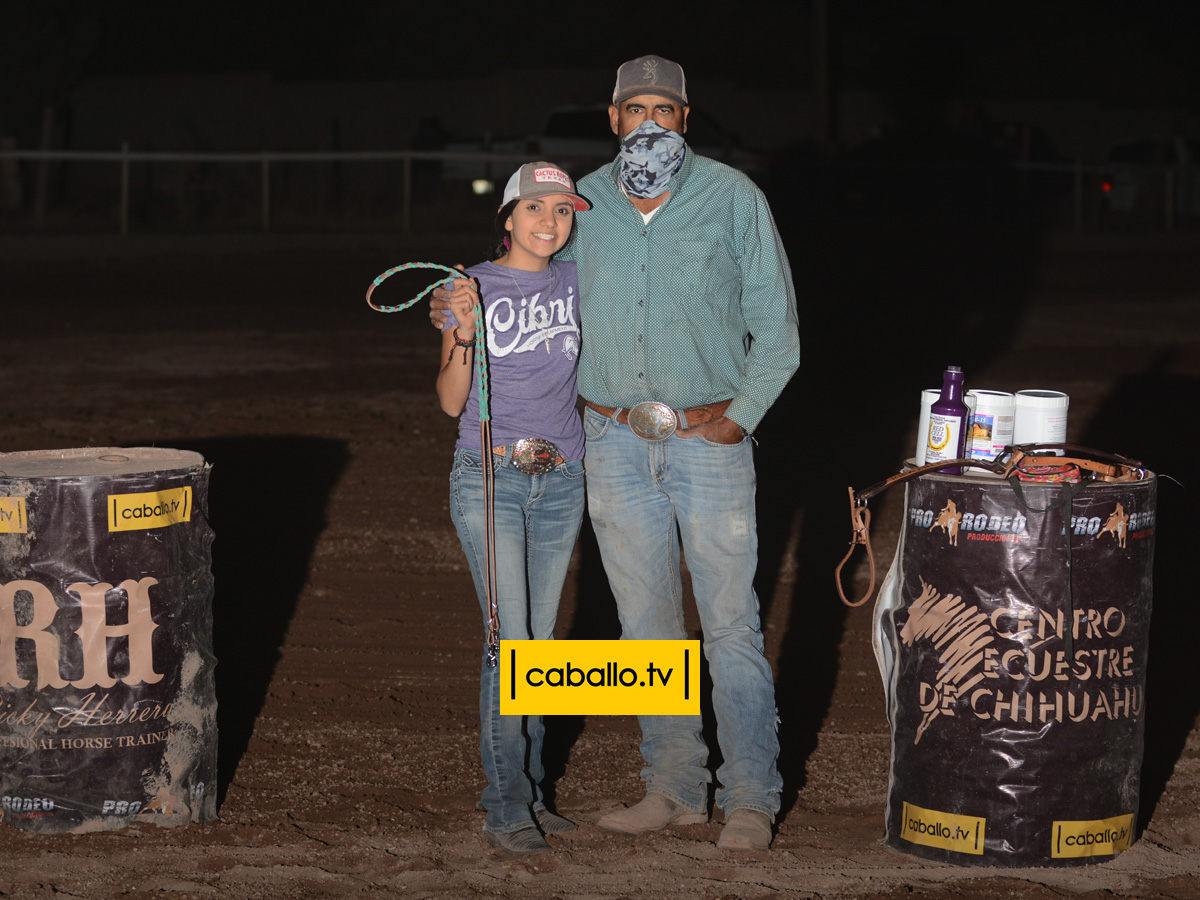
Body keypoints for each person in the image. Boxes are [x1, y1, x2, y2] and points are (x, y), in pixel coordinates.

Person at [435, 55, 799, 852]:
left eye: (664, 109)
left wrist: (738, 420)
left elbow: (778, 331)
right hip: (610, 442)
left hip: (709, 440)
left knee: (731, 627)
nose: (649, 122)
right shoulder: (586, 203)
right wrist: (458, 302)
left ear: (685, 118)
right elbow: (530, 279)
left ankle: (750, 797)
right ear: (613, 118)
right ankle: (674, 786)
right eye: (635, 108)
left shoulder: (734, 197)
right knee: (646, 628)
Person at [437, 161, 591, 856]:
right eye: (534, 208)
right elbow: (450, 401)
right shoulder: (469, 287)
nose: (549, 222)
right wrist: (462, 329)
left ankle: (529, 791)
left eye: (561, 210)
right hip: (490, 477)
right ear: (507, 218)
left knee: (540, 648)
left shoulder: (578, 280)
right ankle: (504, 807)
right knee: (510, 645)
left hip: (561, 478)